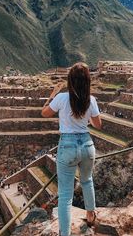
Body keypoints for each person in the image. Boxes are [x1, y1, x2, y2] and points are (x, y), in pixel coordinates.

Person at [41, 62, 102, 236]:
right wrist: (87, 116)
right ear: (88, 81)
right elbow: (98, 125)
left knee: (65, 195)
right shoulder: (91, 100)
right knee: (87, 181)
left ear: (70, 80)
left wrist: (51, 96)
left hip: (67, 145)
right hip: (87, 145)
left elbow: (44, 113)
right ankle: (91, 216)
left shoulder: (61, 98)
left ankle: (65, 233)